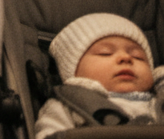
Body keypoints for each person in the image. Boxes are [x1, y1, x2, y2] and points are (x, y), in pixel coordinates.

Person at [35, 13, 163, 138]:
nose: (126, 58)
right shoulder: (66, 105)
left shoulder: (158, 101)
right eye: (105, 53)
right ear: (73, 70)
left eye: (138, 57)